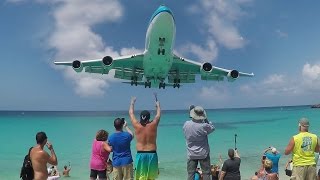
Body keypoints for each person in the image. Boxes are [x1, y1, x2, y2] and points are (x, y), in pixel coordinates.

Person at [129, 95, 161, 180]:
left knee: (141, 178)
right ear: (149, 118)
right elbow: (158, 115)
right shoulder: (153, 125)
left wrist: (132, 103)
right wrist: (158, 106)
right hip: (152, 154)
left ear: (141, 118)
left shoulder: (136, 125)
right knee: (151, 178)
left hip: (141, 154)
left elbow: (131, 114)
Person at [183, 105, 215, 180]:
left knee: (191, 174)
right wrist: (206, 119)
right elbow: (212, 128)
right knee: (206, 173)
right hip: (203, 153)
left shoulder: (186, 124)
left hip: (191, 153)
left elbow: (185, 132)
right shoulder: (204, 126)